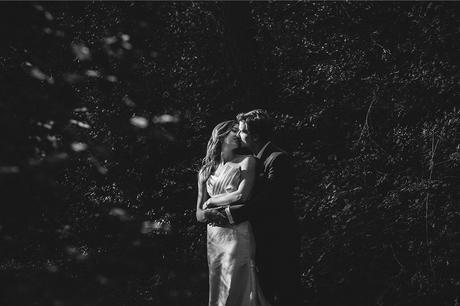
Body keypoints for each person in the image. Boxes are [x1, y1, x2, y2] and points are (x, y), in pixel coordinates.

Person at [213, 110, 302, 305]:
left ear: (255, 136)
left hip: (279, 240)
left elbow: (269, 201)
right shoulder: (253, 160)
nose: (239, 135)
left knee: (285, 294)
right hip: (258, 240)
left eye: (243, 131)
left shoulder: (278, 159)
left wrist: (228, 214)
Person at [196, 120, 269, 306]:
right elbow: (198, 214)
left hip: (237, 232)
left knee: (238, 280)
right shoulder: (205, 171)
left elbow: (242, 195)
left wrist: (212, 201)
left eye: (239, 130)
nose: (238, 134)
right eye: (233, 131)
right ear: (221, 136)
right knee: (218, 285)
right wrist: (207, 214)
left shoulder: (247, 161)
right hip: (214, 236)